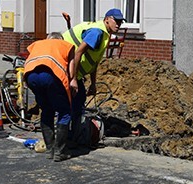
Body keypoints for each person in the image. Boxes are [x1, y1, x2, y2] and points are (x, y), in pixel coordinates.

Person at [62, 8, 126, 145]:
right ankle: (70, 139)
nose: (118, 25)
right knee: (75, 102)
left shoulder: (104, 34)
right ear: (107, 19)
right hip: (66, 68)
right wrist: (73, 78)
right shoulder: (97, 32)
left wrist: (93, 83)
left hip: (71, 70)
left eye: (120, 22)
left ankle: (69, 137)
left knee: (76, 101)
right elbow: (78, 52)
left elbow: (93, 61)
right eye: (116, 21)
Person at [23, 32, 78, 162]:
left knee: (47, 109)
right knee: (64, 112)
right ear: (60, 39)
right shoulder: (66, 45)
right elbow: (71, 69)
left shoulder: (37, 44)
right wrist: (73, 81)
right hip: (52, 75)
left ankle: (49, 149)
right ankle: (60, 151)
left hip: (30, 76)